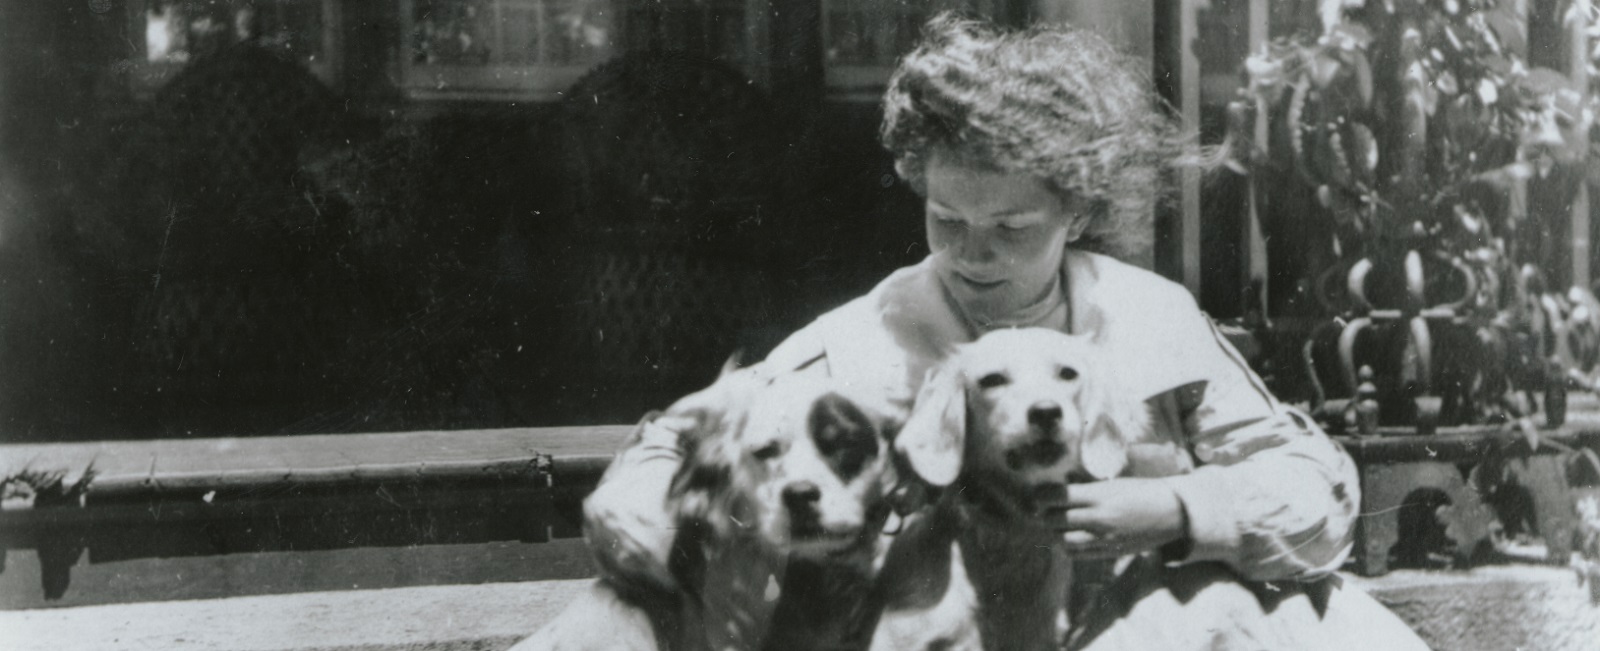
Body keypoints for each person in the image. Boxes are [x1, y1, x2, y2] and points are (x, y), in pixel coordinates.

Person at [576, 13, 1429, 650]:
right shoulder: (859, 340)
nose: (972, 254)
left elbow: (1318, 492)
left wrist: (1177, 505)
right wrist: (679, 544)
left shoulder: (1150, 316)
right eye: (946, 218)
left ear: (1079, 208)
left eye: (1012, 229)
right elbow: (663, 460)